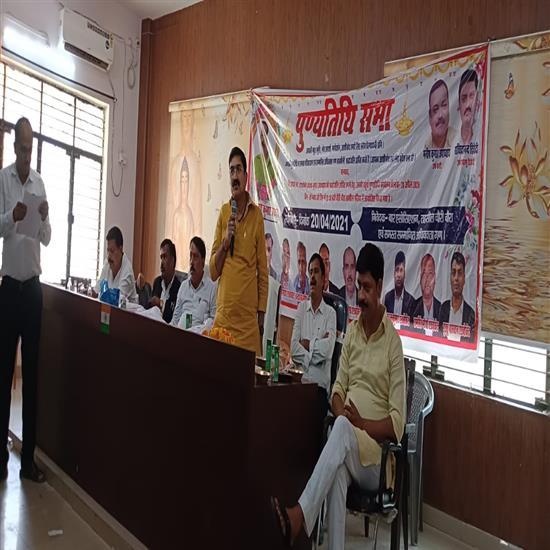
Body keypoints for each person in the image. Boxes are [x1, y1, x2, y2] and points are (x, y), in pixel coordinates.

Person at [271, 243, 405, 549]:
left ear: (380, 286)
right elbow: (337, 391)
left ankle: (298, 516)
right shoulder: (353, 333)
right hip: (348, 449)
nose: (361, 296)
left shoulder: (393, 344)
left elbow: (397, 424)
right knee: (337, 473)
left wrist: (359, 424)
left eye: (367, 288)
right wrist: (340, 411)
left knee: (342, 428)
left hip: (376, 461)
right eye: (359, 286)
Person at [0, 117, 51, 483]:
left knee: (31, 377)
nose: (26, 155)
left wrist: (44, 219)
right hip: (8, 291)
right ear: (14, 145)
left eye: (30, 149)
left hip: (33, 291)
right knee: (3, 374)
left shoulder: (39, 183)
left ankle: (27, 462)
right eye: (22, 148)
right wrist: (11, 216)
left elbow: (46, 238)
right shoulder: (3, 179)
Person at [209, 147, 268, 355]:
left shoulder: (257, 216)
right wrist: (225, 243)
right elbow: (213, 272)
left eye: (238, 170)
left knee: (249, 374)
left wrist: (261, 315)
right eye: (231, 170)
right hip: (224, 320)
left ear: (246, 176)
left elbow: (263, 270)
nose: (234, 176)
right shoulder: (225, 213)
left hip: (247, 325)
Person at [291, 253, 336, 428]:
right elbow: (293, 349)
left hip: (319, 390)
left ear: (324, 279)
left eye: (316, 272)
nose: (312, 277)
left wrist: (307, 344)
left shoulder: (331, 314)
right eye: (310, 272)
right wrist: (316, 349)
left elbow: (328, 351)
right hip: (299, 384)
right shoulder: (301, 309)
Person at [172, 236, 217, 331]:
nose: (191, 261)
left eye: (195, 257)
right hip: (180, 334)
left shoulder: (212, 288)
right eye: (190, 256)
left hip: (199, 336)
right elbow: (175, 320)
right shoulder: (183, 286)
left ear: (203, 261)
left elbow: (214, 323)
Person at [94, 226, 138, 304]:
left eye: (112, 251)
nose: (109, 255)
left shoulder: (127, 271)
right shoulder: (107, 263)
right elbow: (97, 290)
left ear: (120, 249)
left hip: (126, 311)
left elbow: (117, 301)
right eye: (108, 250)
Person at [440, 251, 475, 342]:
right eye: (453, 272)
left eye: (459, 273)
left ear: (464, 278)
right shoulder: (443, 309)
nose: (456, 278)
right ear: (450, 278)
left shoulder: (471, 314)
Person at [148, 239, 181, 324]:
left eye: (165, 257)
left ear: (172, 260)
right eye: (161, 257)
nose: (162, 262)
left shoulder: (179, 288)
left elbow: (173, 317)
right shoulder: (157, 282)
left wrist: (161, 304)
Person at [171, 157, 195, 264]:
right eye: (182, 181)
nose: (184, 185)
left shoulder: (190, 215)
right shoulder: (176, 215)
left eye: (186, 181)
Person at [425, 79, 456, 149]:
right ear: (430, 118)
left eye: (444, 105)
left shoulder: (458, 139)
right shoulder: (424, 146)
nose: (440, 115)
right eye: (435, 109)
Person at [411, 253, 441, 323]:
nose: (427, 279)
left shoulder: (441, 309)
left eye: (430, 274)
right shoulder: (412, 307)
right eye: (424, 274)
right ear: (420, 278)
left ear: (434, 278)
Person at [384, 251, 414, 317]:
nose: (399, 275)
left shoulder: (411, 301)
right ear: (394, 273)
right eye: (397, 270)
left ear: (405, 274)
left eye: (401, 270)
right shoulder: (387, 298)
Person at [254, 120, 276, 201]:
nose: (263, 137)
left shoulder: (274, 163)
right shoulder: (256, 160)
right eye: (261, 134)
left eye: (265, 133)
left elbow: (277, 188)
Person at [457, 69, 479, 145]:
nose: (467, 105)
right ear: (458, 104)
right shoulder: (452, 139)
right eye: (463, 99)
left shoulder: (481, 133)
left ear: (478, 100)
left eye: (472, 96)